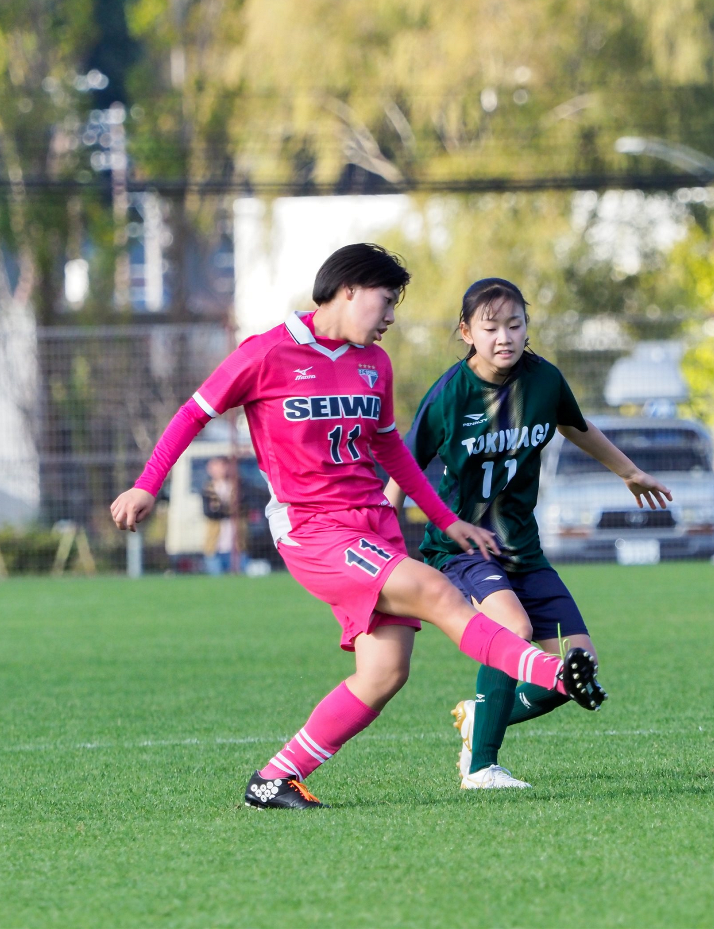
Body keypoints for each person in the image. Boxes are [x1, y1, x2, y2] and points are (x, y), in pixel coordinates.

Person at [110, 245, 603, 808]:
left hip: (373, 526)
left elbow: (391, 447)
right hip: (315, 531)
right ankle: (558, 676)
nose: (392, 315)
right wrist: (148, 483)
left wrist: (444, 520)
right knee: (435, 590)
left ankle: (273, 778)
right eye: (386, 301)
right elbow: (194, 412)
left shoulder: (375, 362)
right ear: (350, 290)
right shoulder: (266, 353)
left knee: (384, 672)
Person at [386, 277, 672, 788]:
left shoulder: (544, 381)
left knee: (578, 671)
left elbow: (575, 426)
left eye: (514, 325)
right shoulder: (451, 395)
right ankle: (481, 767)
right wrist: (382, 542)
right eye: (490, 327)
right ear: (466, 332)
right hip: (462, 548)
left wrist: (628, 471)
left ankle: (481, 716)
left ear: (527, 327)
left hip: (523, 548)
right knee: (512, 632)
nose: (504, 337)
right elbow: (402, 466)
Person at [201, 456, 237, 575]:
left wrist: (219, 510)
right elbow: (208, 512)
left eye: (221, 466)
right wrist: (228, 511)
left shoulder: (237, 486)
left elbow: (243, 508)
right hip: (214, 543)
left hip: (237, 543)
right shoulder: (207, 489)